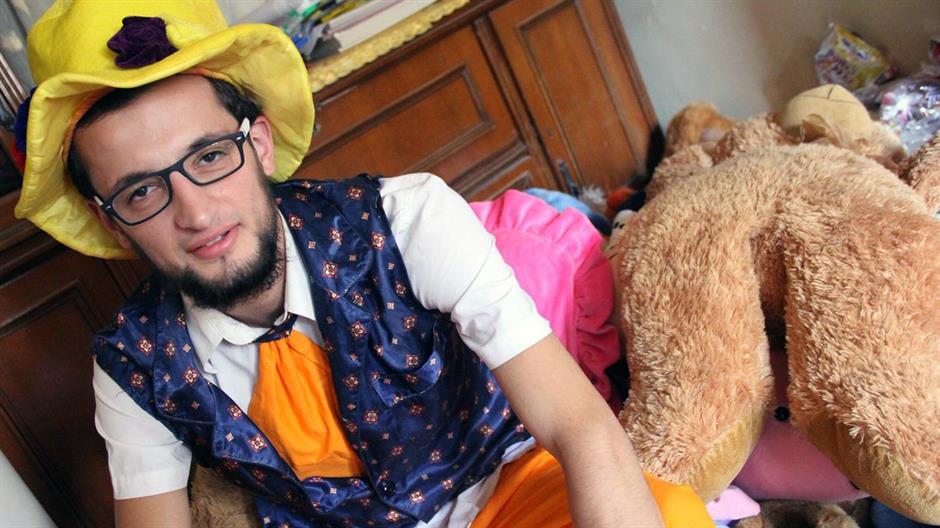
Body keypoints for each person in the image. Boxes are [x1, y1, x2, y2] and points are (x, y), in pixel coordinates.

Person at [16, 1, 710, 526]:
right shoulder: (133, 365)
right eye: (142, 191)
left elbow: (578, 425)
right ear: (110, 220)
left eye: (210, 156)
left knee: (669, 511)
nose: (195, 212)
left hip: (509, 493)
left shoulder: (407, 219)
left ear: (259, 144)